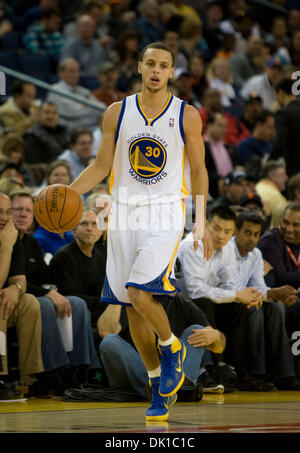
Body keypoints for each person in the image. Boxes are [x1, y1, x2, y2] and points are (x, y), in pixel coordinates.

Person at [69, 41, 213, 421]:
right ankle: (157, 386)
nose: (156, 70)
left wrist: (200, 220)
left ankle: (172, 348)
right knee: (132, 311)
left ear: (171, 73)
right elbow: (101, 166)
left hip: (166, 212)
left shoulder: (187, 115)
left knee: (140, 293)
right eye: (150, 63)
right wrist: (69, 193)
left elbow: (198, 171)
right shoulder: (117, 112)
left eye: (163, 65)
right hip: (124, 213)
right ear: (139, 66)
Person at [11, 190, 100, 395]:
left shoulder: (31, 242)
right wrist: (46, 293)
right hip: (22, 298)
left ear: (35, 217)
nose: (23, 214)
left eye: (28, 210)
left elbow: (47, 278)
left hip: (34, 294)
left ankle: (78, 369)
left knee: (76, 303)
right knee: (43, 304)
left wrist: (52, 290)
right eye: (18, 209)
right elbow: (12, 281)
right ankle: (52, 370)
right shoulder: (7, 240)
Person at [176, 205, 269, 390]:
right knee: (206, 302)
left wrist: (241, 296)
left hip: (208, 300)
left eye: (227, 232)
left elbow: (229, 284)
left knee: (238, 307)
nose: (221, 236)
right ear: (206, 224)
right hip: (182, 305)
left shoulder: (227, 248)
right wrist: (235, 294)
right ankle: (209, 369)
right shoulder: (191, 245)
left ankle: (239, 371)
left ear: (232, 232)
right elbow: (195, 291)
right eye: (216, 229)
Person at [98, 295, 225, 400]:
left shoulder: (179, 301)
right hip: (142, 371)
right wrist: (118, 296)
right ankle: (164, 390)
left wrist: (216, 336)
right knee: (109, 342)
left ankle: (170, 388)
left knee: (197, 330)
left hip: (174, 371)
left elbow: (219, 347)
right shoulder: (130, 301)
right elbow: (105, 331)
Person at [233, 211, 300, 390]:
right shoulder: (226, 251)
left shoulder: (255, 254)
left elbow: (260, 287)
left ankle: (285, 374)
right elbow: (231, 288)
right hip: (226, 303)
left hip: (246, 297)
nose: (253, 239)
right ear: (236, 231)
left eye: (256, 234)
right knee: (256, 305)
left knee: (276, 306)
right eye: (248, 233)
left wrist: (276, 294)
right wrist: (269, 293)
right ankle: (254, 373)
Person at [0, 192, 44, 392]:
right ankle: (1, 375)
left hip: (5, 301)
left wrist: (15, 289)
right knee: (2, 303)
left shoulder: (13, 236)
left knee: (29, 302)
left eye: (8, 212)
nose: (3, 217)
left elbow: (21, 281)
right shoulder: (9, 240)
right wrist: (6, 248)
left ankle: (29, 375)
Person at [49, 209, 107, 329]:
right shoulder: (63, 257)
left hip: (96, 310)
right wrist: (107, 303)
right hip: (71, 314)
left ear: (101, 231)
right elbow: (71, 296)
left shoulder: (100, 257)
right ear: (73, 230)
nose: (89, 228)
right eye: (84, 223)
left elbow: (101, 291)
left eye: (94, 224)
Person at [258, 203, 300, 341]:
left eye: (296, 225)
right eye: (286, 223)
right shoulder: (269, 241)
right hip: (273, 304)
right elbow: (282, 277)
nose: (289, 229)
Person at [46, 58, 105, 130]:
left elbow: (102, 107)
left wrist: (85, 106)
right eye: (71, 71)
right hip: (68, 131)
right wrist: (91, 106)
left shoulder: (83, 91)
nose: (75, 74)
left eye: (77, 71)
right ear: (60, 73)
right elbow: (74, 112)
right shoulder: (56, 90)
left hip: (90, 128)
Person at [60, 14, 107, 78]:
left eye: (91, 26)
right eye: (85, 26)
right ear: (78, 28)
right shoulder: (70, 44)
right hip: (79, 79)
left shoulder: (98, 46)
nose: (88, 29)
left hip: (98, 80)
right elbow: (66, 67)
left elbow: (103, 66)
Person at [271, 78, 300, 177]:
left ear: (281, 93)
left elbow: (279, 143)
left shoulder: (283, 113)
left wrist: (270, 160)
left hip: (294, 170)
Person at [204, 112, 234, 199]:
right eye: (220, 126)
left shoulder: (227, 147)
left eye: (225, 127)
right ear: (209, 125)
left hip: (229, 187)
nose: (224, 129)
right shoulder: (201, 145)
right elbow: (202, 170)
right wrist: (219, 179)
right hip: (211, 189)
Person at [255, 160, 289, 228]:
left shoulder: (257, 186)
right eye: (283, 175)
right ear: (271, 176)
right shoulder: (275, 196)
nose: (286, 178)